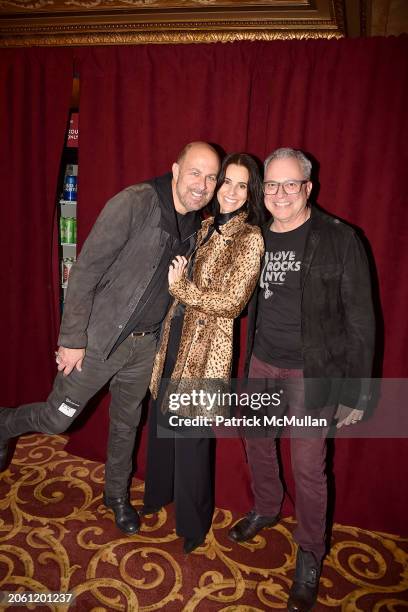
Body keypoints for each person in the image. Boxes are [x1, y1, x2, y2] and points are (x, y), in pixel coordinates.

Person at [0, 141, 220, 536]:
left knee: (126, 423)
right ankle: (5, 423)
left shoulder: (196, 226)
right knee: (57, 419)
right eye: (195, 172)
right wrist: (72, 338)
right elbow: (85, 270)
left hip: (144, 346)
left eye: (210, 177)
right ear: (175, 169)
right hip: (98, 342)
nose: (202, 184)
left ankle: (116, 495)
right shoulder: (135, 202)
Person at [228, 148, 375, 612]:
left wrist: (355, 391)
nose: (280, 193)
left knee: (310, 468)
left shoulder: (339, 238)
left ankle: (310, 551)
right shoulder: (254, 237)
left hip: (313, 372)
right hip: (261, 363)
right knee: (257, 443)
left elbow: (361, 320)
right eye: (272, 184)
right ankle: (268, 507)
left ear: (308, 188)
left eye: (291, 184)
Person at [142, 152, 265, 554]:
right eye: (225, 181)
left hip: (208, 347)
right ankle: (158, 493)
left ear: (251, 193)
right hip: (175, 335)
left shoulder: (251, 238)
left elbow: (232, 303)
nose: (229, 191)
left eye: (240, 185)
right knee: (162, 420)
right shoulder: (206, 224)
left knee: (192, 435)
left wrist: (181, 289)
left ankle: (193, 524)